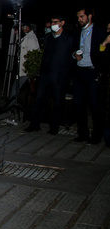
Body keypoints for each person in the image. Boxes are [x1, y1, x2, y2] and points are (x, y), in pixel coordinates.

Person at [25, 15, 75, 134]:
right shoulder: (48, 37)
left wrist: (66, 76)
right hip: (45, 75)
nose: (53, 24)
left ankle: (54, 127)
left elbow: (71, 59)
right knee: (39, 100)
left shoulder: (69, 39)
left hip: (59, 77)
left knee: (58, 103)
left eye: (56, 22)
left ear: (62, 23)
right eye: (52, 22)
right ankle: (34, 124)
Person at [72, 7, 106, 143]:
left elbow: (104, 52)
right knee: (79, 105)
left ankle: (97, 136)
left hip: (92, 71)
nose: (79, 20)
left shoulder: (99, 31)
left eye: (82, 16)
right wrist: (74, 55)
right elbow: (73, 49)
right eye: (78, 17)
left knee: (94, 105)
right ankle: (83, 134)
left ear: (90, 16)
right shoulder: (77, 31)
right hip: (79, 71)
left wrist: (101, 69)